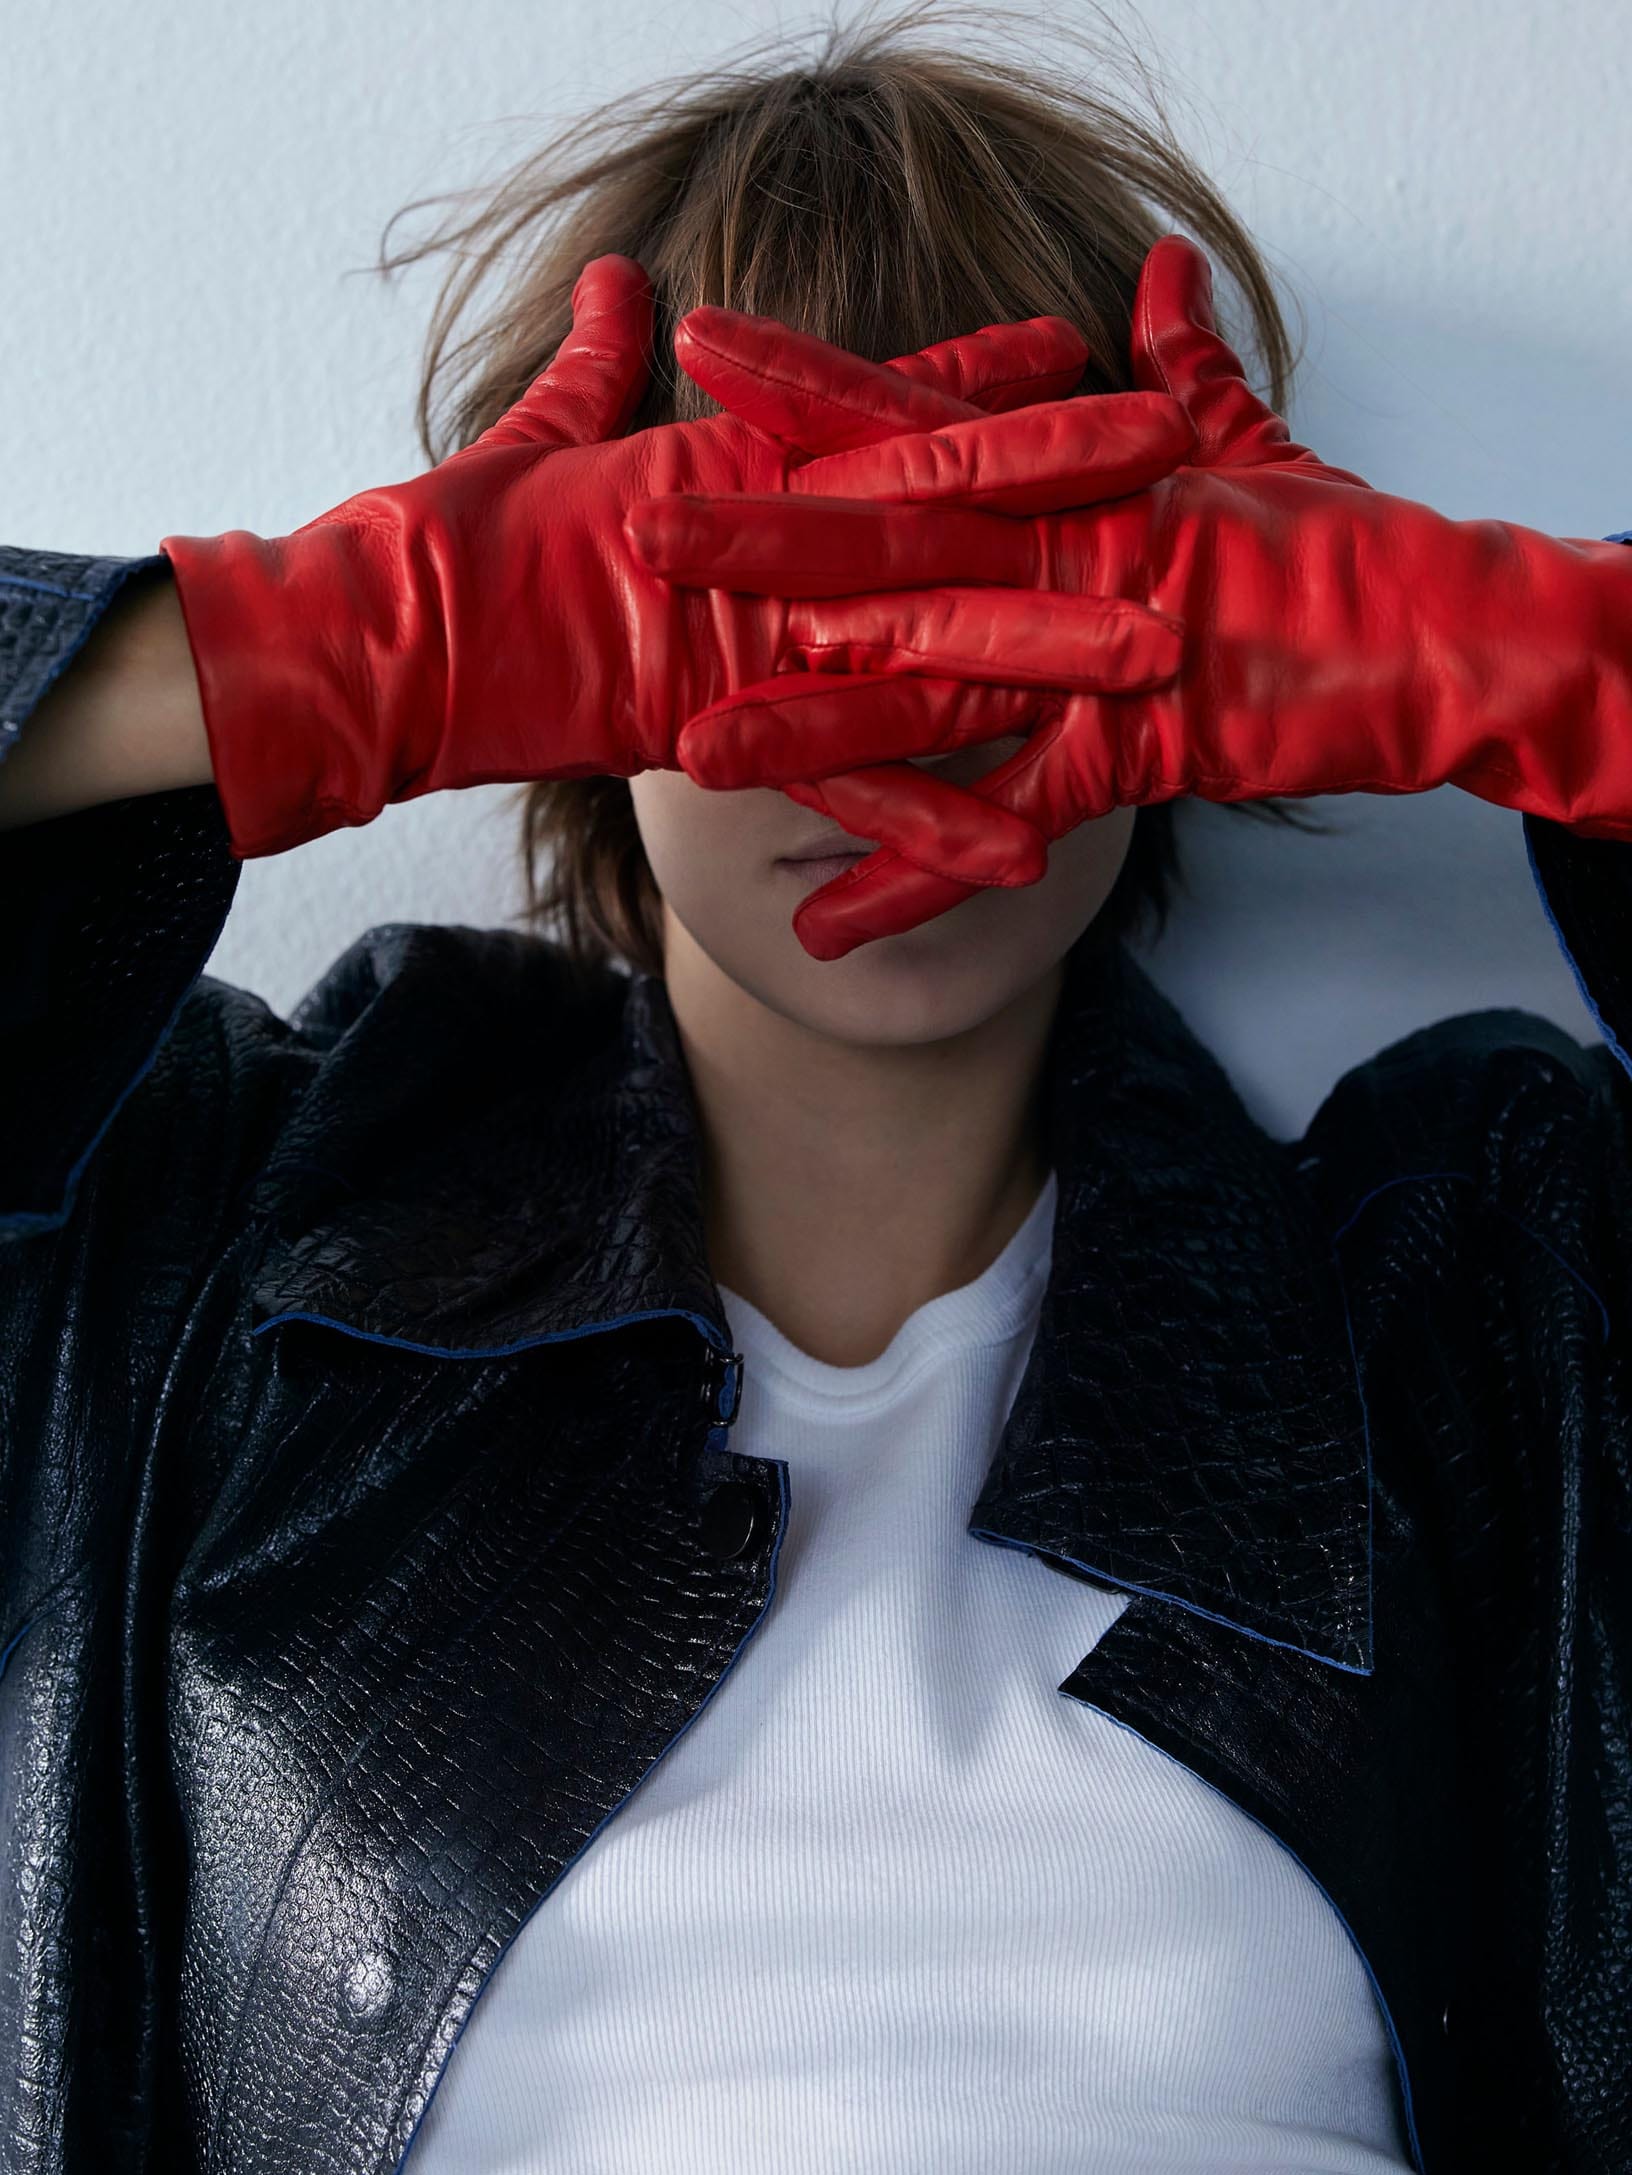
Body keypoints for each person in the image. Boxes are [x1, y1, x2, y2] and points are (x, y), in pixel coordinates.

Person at [0, 9, 1628, 2173]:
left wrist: (1559, 666)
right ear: (550, 655)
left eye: (1014, 582)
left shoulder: (1492, 1297)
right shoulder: (200, 1253)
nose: (907, 714)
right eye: (766, 595)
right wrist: (284, 658)